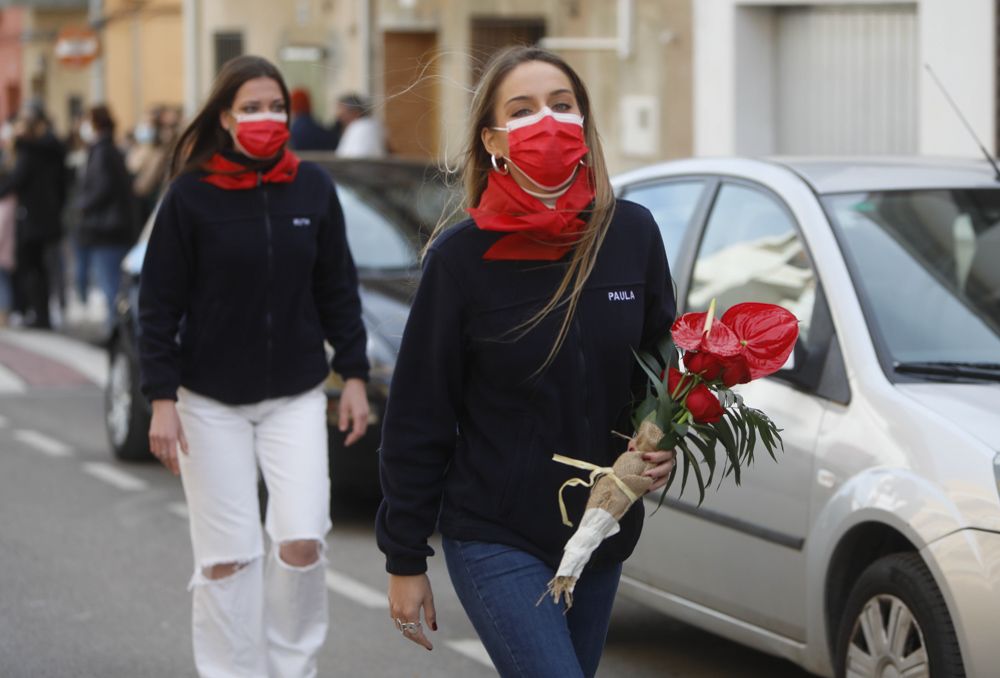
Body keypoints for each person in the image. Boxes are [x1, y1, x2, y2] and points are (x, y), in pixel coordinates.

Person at [375, 46, 677, 677]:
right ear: (494, 140)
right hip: (495, 530)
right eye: (524, 109)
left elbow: (659, 361)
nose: (548, 119)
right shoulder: (460, 261)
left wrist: (662, 439)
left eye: (562, 105)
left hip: (601, 525)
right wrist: (404, 557)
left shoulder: (633, 235)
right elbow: (418, 415)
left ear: (584, 122)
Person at [138, 55, 371, 678]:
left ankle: (292, 668)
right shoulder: (190, 195)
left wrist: (353, 375)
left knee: (301, 541)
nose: (268, 118)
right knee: (228, 558)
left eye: (277, 107)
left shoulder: (313, 189)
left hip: (293, 394)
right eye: (252, 108)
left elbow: (337, 289)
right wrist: (161, 396)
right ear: (226, 117)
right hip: (207, 400)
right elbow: (157, 303)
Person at [0, 104, 67, 329]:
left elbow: (17, 180)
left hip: (32, 219)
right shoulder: (50, 149)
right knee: (44, 268)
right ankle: (43, 314)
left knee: (33, 268)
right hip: (48, 217)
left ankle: (39, 314)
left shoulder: (29, 151)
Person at [75, 104, 137, 336]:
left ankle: (117, 334)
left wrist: (83, 206)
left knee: (111, 284)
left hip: (106, 230)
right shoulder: (109, 148)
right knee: (117, 284)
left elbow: (101, 188)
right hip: (116, 228)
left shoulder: (101, 151)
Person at [333, 93, 385, 158]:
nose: (339, 116)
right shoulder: (362, 125)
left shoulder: (363, 127)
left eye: (342, 111)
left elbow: (359, 159)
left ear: (355, 111)